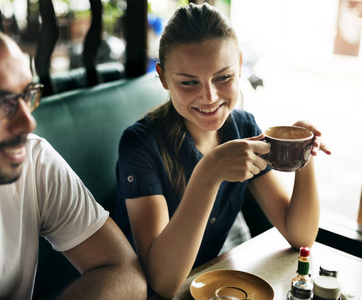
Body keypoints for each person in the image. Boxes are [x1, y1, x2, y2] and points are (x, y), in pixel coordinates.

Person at [0, 21, 147, 299]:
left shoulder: (34, 160)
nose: (28, 122)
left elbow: (126, 273)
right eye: (1, 104)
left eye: (27, 96)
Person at [114, 3, 331, 298]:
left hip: (210, 282)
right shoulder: (139, 145)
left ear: (240, 65)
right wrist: (208, 173)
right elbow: (162, 282)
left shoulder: (242, 127)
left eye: (223, 77)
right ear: (163, 78)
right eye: (189, 82)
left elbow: (300, 236)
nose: (210, 96)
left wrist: (303, 151)